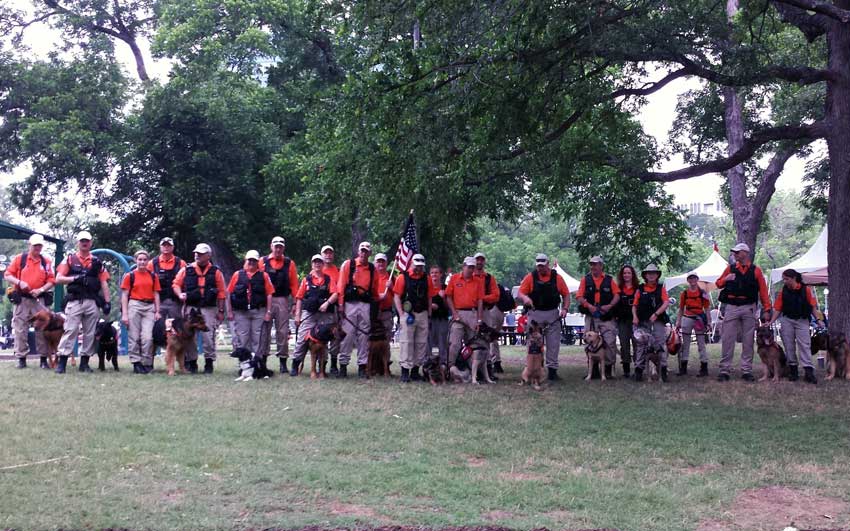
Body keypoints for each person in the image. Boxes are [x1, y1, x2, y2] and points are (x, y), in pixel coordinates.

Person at [54, 230, 111, 374]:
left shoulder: (97, 262)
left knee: (90, 333)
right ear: (78, 243)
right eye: (82, 241)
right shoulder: (70, 259)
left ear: (91, 243)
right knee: (70, 330)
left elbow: (104, 283)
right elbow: (58, 278)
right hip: (74, 301)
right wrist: (75, 279)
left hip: (92, 301)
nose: (84, 243)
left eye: (87, 241)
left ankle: (84, 363)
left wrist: (107, 302)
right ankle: (62, 362)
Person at [714, 243, 772, 382]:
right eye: (734, 252)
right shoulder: (730, 268)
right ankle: (724, 370)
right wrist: (726, 279)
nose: (734, 254)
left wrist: (767, 309)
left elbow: (763, 292)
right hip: (732, 306)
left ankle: (746, 370)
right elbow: (718, 283)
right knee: (728, 338)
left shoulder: (756, 271)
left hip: (749, 307)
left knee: (748, 339)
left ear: (745, 253)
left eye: (737, 252)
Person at [172, 243, 227, 374]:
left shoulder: (216, 272)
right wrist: (180, 294)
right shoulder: (186, 269)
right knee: (189, 337)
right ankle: (192, 363)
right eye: (196, 253)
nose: (197, 255)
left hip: (209, 308)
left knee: (209, 336)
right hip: (191, 307)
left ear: (208, 256)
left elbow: (221, 293)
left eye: (201, 254)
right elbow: (176, 284)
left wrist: (220, 311)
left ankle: (209, 363)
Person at [5, 234, 55, 369]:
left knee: (42, 329)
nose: (37, 248)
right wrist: (19, 282)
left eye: (40, 245)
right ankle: (21, 358)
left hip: (40, 300)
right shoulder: (20, 259)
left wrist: (41, 289)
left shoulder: (46, 262)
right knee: (20, 329)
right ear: (30, 245)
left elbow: (52, 280)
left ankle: (43, 359)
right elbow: (7, 275)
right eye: (35, 245)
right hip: (22, 299)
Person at [516, 254, 570, 381]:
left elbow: (566, 294)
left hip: (552, 313)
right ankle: (532, 369)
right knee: (533, 343)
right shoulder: (530, 277)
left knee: (553, 343)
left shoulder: (557, 278)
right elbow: (520, 293)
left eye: (543, 265)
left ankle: (552, 371)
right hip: (535, 313)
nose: (541, 268)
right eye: (538, 266)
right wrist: (525, 298)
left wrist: (565, 309)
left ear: (548, 264)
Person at [769, 268, 822, 384]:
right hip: (787, 320)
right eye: (783, 279)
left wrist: (818, 320)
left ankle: (808, 371)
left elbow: (813, 306)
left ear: (794, 278)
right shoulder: (783, 292)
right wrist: (771, 321)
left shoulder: (806, 290)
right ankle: (793, 370)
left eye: (786, 279)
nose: (784, 281)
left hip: (802, 320)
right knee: (789, 345)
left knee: (805, 344)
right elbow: (778, 309)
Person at [337, 242, 381, 378]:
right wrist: (341, 304)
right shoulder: (348, 265)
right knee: (348, 334)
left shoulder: (373, 269)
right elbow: (341, 286)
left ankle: (362, 367)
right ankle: (343, 366)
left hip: (365, 305)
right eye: (362, 250)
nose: (363, 253)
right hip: (350, 303)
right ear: (358, 251)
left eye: (366, 251)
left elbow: (374, 291)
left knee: (364, 336)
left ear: (370, 253)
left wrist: (376, 306)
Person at [289, 254, 339, 375]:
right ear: (312, 264)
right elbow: (299, 298)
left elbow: (335, 294)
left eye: (319, 262)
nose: (317, 264)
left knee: (324, 341)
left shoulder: (328, 279)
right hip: (309, 314)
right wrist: (297, 316)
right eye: (315, 262)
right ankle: (295, 365)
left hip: (324, 315)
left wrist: (327, 303)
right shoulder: (306, 280)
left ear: (323, 265)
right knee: (302, 339)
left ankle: (321, 368)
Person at [393, 253, 436, 382]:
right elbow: (396, 296)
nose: (419, 268)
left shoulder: (426, 278)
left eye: (421, 266)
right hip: (408, 314)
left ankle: (415, 371)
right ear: (412, 263)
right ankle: (405, 371)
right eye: (417, 265)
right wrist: (401, 314)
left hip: (422, 313)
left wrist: (429, 315)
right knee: (406, 342)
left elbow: (429, 297)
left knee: (421, 343)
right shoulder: (402, 277)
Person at [576, 256, 620, 379]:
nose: (593, 267)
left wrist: (610, 305)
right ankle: (593, 370)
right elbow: (579, 296)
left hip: (606, 315)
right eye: (591, 264)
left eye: (595, 264)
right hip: (591, 314)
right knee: (588, 340)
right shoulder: (585, 279)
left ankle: (608, 369)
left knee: (610, 341)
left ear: (601, 266)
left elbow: (617, 295)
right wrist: (588, 306)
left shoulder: (609, 280)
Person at [259, 236, 299, 373]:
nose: (278, 248)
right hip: (265, 301)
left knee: (282, 332)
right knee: (264, 331)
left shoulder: (289, 263)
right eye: (276, 246)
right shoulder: (262, 262)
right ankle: (263, 360)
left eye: (280, 246)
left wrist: (295, 302)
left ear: (283, 248)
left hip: (282, 299)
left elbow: (294, 284)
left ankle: (283, 361)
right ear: (271, 246)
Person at [120, 250, 161, 374]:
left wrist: (157, 311)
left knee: (148, 337)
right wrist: (125, 314)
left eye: (144, 259)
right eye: (140, 259)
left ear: (148, 261)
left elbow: (156, 294)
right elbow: (124, 295)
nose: (142, 262)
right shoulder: (129, 276)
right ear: (136, 260)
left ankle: (147, 363)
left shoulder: (153, 276)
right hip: (134, 305)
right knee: (134, 336)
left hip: (149, 307)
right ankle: (136, 363)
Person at [227, 250, 275, 356]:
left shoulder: (264, 276)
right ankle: (244, 363)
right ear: (246, 260)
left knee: (257, 338)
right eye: (250, 260)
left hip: (258, 311)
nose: (252, 262)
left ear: (258, 262)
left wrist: (268, 312)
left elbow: (269, 294)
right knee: (243, 337)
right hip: (241, 312)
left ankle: (256, 362)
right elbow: (229, 293)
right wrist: (229, 311)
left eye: (254, 260)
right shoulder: (237, 275)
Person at [632, 264, 671, 382]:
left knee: (660, 344)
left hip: (658, 320)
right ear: (645, 275)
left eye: (653, 273)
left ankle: (663, 370)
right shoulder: (640, 289)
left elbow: (666, 303)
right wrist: (634, 317)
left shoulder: (661, 288)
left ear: (657, 275)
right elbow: (634, 305)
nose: (651, 275)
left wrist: (656, 314)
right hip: (643, 321)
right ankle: (639, 370)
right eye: (649, 273)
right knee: (641, 345)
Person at [446, 257, 484, 369]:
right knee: (454, 343)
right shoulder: (454, 278)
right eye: (469, 267)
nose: (471, 269)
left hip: (472, 313)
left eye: (473, 267)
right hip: (458, 313)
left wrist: (479, 320)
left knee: (473, 343)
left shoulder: (478, 281)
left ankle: (473, 370)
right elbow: (448, 297)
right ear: (463, 266)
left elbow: (480, 301)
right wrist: (454, 313)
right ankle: (450, 368)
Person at [473, 252, 504, 373]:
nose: (479, 262)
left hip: (486, 311)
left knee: (488, 339)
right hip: (471, 310)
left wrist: (481, 298)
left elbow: (496, 296)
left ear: (484, 262)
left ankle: (490, 365)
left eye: (482, 260)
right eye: (477, 260)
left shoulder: (489, 278)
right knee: (471, 338)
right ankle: (472, 365)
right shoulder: (469, 276)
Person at [675, 272, 711, 377]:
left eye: (694, 278)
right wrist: (678, 321)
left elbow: (707, 308)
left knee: (701, 344)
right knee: (685, 344)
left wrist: (709, 322)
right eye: (690, 278)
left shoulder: (703, 293)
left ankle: (704, 368)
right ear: (688, 280)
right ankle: (683, 368)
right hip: (687, 318)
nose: (692, 280)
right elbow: (681, 309)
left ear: (697, 279)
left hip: (699, 318)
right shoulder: (684, 294)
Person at [147, 237, 185, 320]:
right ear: (160, 247)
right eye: (164, 245)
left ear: (173, 247)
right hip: (158, 302)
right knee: (157, 327)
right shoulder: (152, 263)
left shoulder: (181, 263)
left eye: (169, 245)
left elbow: (185, 282)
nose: (166, 247)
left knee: (176, 326)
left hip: (175, 302)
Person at [614, 265, 639, 378]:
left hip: (636, 321)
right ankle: (626, 370)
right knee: (624, 345)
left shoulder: (638, 288)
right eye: (624, 273)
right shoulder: (618, 288)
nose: (626, 275)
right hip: (622, 321)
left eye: (629, 273)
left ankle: (638, 369)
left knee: (637, 344)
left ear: (632, 274)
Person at [321, 245, 342, 374]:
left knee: (335, 336)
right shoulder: (316, 269)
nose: (328, 255)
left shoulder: (338, 271)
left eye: (330, 253)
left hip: (333, 307)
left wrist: (340, 306)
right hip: (320, 309)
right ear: (321, 255)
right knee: (322, 335)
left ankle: (334, 364)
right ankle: (322, 363)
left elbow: (340, 291)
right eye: (325, 253)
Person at [428, 265, 450, 367]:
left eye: (436, 272)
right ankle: (428, 365)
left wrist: (444, 298)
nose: (434, 275)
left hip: (442, 319)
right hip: (430, 319)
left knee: (443, 343)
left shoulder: (445, 288)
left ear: (441, 274)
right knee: (429, 343)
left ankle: (443, 365)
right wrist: (431, 304)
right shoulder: (427, 288)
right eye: (432, 273)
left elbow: (448, 306)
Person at [374, 253, 395, 342]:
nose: (381, 264)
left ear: (386, 263)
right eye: (378, 261)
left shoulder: (392, 278)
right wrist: (378, 297)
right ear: (375, 263)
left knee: (386, 340)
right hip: (373, 313)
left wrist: (391, 287)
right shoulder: (371, 276)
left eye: (383, 261)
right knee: (372, 339)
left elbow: (398, 296)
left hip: (386, 313)